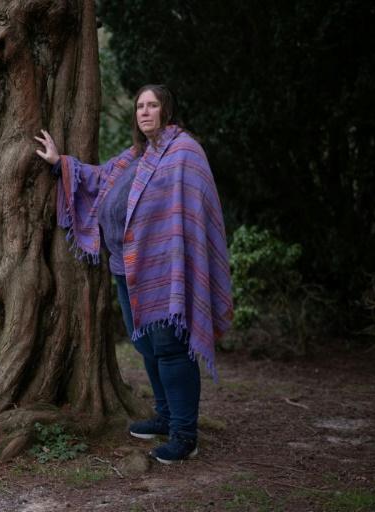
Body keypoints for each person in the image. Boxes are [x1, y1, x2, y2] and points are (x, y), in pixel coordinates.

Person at [35, 84, 233, 464]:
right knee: (145, 346)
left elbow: (193, 210)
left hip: (166, 267)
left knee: (170, 348)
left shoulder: (184, 153)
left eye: (152, 105)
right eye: (140, 106)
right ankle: (164, 414)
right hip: (126, 267)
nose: (144, 112)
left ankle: (184, 435)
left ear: (166, 110)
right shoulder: (135, 156)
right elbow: (98, 180)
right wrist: (60, 162)